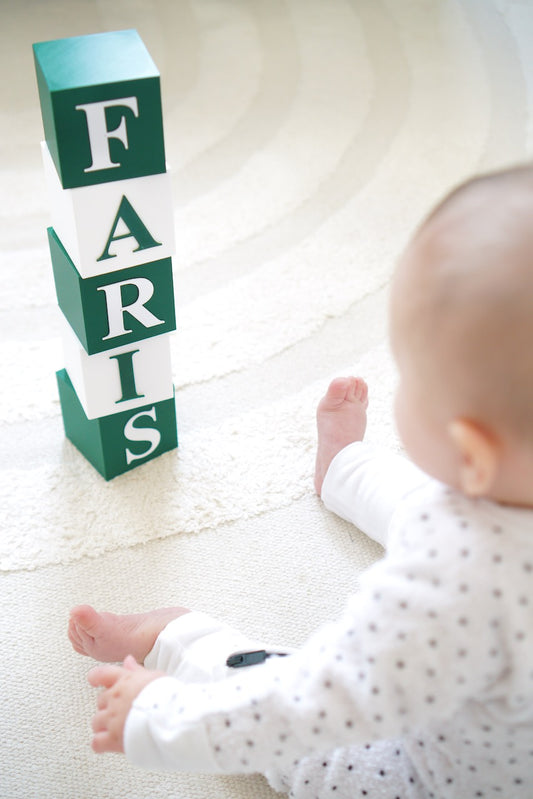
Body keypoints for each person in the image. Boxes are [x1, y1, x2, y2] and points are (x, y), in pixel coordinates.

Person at [69, 166, 533, 798]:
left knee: (325, 754)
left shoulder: (450, 587)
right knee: (434, 503)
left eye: (410, 376)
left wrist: (162, 718)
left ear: (471, 450)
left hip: (442, 778)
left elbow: (316, 699)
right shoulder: (492, 510)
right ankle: (344, 468)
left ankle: (183, 643)